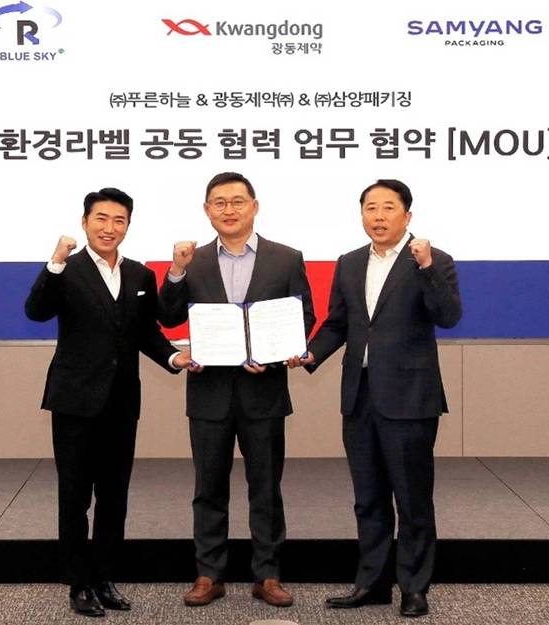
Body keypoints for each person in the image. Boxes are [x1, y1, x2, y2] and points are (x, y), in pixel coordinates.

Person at [290, 179, 461, 617]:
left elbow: (448, 315)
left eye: (388, 207)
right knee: (368, 498)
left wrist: (426, 267)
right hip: (360, 396)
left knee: (412, 499)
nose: (379, 216)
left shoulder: (432, 260)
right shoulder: (349, 263)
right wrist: (310, 353)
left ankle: (414, 588)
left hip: (410, 398)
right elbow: (338, 323)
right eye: (371, 207)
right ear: (361, 214)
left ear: (407, 215)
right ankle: (372, 584)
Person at [25, 187, 193, 617]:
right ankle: (78, 583)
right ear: (85, 222)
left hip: (121, 403)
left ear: (128, 226)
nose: (109, 228)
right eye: (101, 218)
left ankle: (104, 578)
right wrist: (55, 261)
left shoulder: (139, 275)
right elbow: (36, 310)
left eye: (119, 220)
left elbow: (149, 331)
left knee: (114, 496)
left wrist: (173, 357)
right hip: (75, 402)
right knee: (74, 496)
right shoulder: (68, 269)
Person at [159, 172, 315, 608]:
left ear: (254, 206)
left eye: (237, 201)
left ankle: (268, 574)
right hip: (208, 393)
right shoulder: (192, 261)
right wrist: (175, 272)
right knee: (208, 488)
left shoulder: (286, 258)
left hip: (264, 391)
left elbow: (303, 317)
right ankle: (209, 574)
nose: (229, 209)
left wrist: (278, 353)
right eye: (219, 202)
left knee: (266, 488)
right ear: (207, 210)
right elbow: (168, 317)